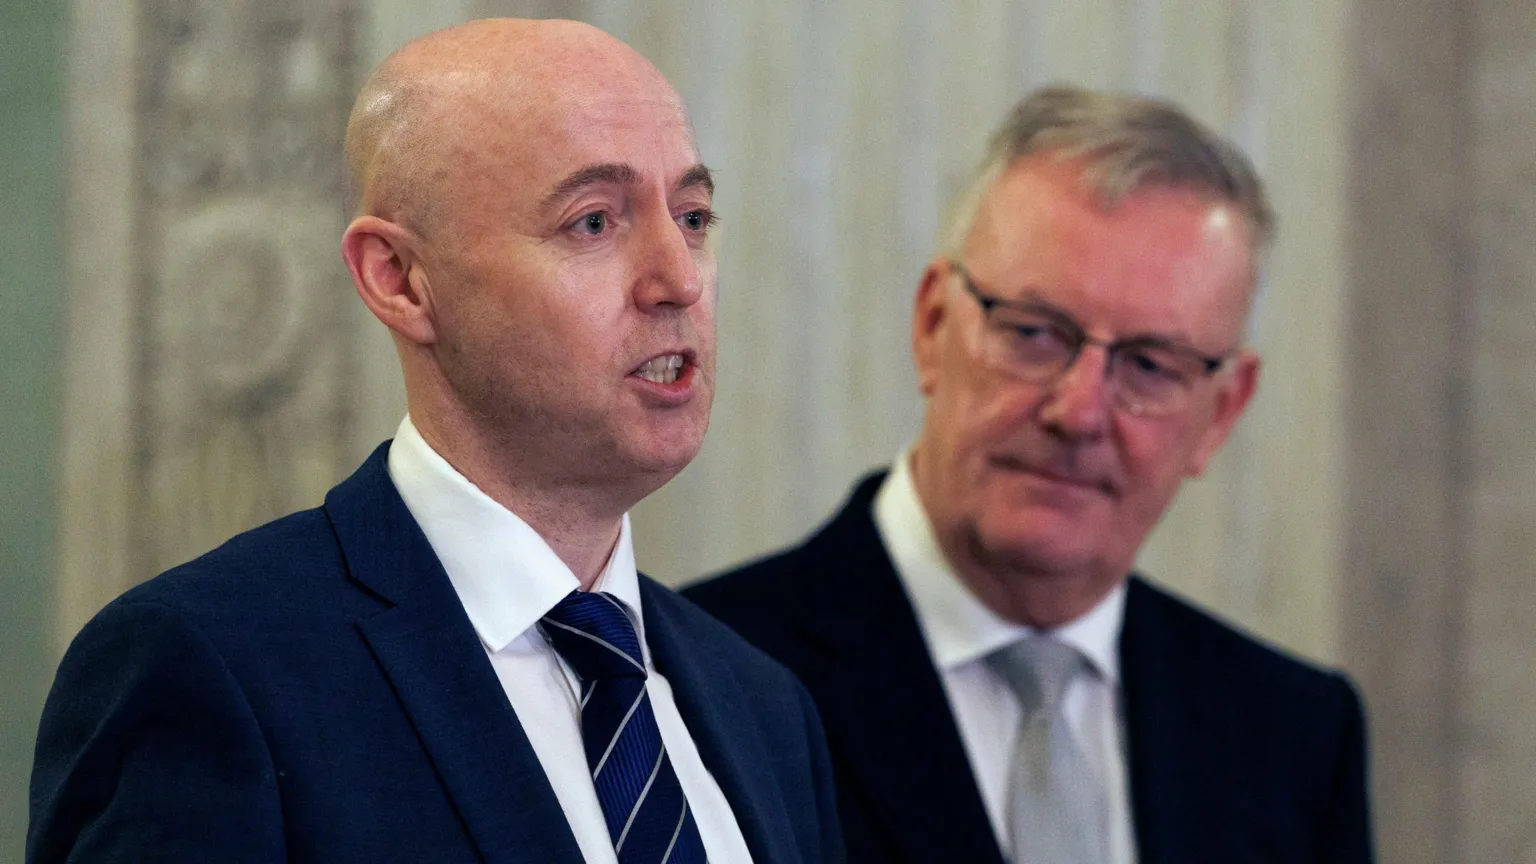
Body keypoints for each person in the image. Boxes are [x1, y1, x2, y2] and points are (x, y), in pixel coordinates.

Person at [29, 19, 842, 864]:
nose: (678, 280)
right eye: (594, 222)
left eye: (695, 216)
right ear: (401, 280)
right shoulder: (210, 672)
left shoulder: (765, 707)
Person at [685, 86, 1373, 864]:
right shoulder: (700, 684)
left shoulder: (1298, 736)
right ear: (933, 325)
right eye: (1035, 333)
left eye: (1150, 365)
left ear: (1220, 414)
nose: (1078, 412)